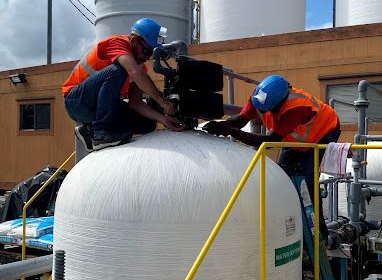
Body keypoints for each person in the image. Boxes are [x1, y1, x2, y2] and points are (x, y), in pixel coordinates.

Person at [203, 74, 341, 240]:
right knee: (283, 174)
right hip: (294, 137)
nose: (264, 113)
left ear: (282, 101)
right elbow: (240, 120)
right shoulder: (260, 98)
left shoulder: (296, 107)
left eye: (270, 109)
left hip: (324, 130)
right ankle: (291, 226)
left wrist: (229, 131)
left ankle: (319, 234)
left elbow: (270, 141)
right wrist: (221, 125)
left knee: (308, 183)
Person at [62, 17, 184, 151]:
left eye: (150, 54)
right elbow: (133, 71)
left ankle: (89, 131)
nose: (147, 57)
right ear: (134, 40)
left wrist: (164, 119)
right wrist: (161, 101)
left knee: (147, 124)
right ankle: (100, 133)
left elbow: (136, 103)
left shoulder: (139, 68)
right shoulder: (117, 43)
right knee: (118, 69)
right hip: (77, 102)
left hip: (99, 107)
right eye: (146, 51)